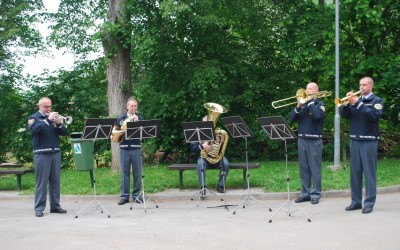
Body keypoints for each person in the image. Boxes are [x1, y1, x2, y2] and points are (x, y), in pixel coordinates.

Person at [340, 76, 384, 214]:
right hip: (355, 139)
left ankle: (369, 203)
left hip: (369, 140)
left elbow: (374, 116)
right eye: (360, 85)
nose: (361, 87)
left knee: (369, 173)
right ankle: (356, 202)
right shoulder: (355, 101)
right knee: (355, 173)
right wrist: (346, 104)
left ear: (371, 86)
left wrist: (358, 103)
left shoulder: (377, 101)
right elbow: (344, 115)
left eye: (364, 85)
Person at [28, 97, 68, 217]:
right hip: (41, 153)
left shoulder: (53, 118)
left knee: (55, 181)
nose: (49, 109)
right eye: (46, 107)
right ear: (39, 106)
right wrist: (47, 121)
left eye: (50, 106)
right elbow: (34, 130)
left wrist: (60, 124)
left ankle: (55, 206)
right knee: (42, 182)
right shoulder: (33, 118)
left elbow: (64, 133)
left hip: (55, 152)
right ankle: (39, 208)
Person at [289, 82, 326, 205]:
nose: (307, 90)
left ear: (316, 91)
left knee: (315, 168)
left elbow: (317, 116)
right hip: (302, 139)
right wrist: (298, 106)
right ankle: (305, 193)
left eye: (310, 89)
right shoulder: (303, 104)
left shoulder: (320, 104)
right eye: (306, 88)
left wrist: (309, 102)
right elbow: (292, 119)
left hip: (314, 139)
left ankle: (315, 194)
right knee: (304, 168)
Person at [190, 116, 230, 197]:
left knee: (226, 164)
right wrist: (202, 146)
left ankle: (221, 185)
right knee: (200, 164)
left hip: (217, 157)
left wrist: (219, 141)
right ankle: (203, 187)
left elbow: (222, 147)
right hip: (204, 158)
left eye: (209, 123)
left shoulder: (218, 133)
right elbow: (193, 149)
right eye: (204, 123)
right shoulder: (197, 133)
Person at [114, 98, 144, 205]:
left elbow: (144, 134)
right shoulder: (121, 118)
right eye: (131, 106)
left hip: (136, 147)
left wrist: (137, 122)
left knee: (137, 173)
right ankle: (124, 196)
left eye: (135, 106)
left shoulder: (140, 118)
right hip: (124, 147)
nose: (133, 108)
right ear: (127, 106)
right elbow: (116, 134)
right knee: (124, 173)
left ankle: (136, 195)